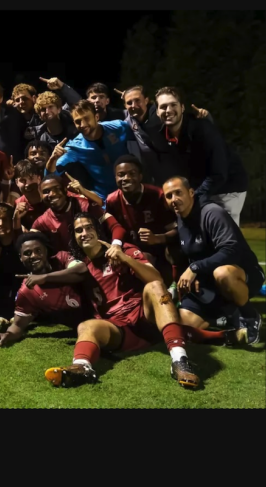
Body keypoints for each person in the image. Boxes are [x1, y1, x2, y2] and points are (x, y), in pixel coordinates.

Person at [43, 212, 236, 389]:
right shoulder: (82, 269)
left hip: (145, 317)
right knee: (86, 326)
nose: (84, 233)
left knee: (154, 287)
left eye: (89, 228)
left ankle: (179, 361)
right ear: (74, 238)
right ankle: (81, 368)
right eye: (78, 230)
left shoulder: (123, 249)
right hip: (120, 329)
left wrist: (125, 258)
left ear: (98, 230)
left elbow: (156, 278)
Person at [163, 176, 264, 344]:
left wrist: (195, 268)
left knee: (223, 273)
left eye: (178, 193)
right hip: (209, 281)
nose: (174, 199)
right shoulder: (181, 218)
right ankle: (225, 316)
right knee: (182, 323)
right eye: (169, 196)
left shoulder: (211, 212)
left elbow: (231, 251)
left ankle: (250, 316)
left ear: (191, 193)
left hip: (243, 274)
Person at [148, 87, 249, 225]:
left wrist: (192, 197)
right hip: (200, 187)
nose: (168, 110)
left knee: (225, 237)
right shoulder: (160, 134)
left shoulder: (204, 130)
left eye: (173, 105)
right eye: (163, 107)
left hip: (227, 188)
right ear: (157, 112)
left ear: (182, 107)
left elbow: (218, 174)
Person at [0, 232, 91, 347]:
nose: (33, 255)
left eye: (38, 251)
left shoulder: (62, 258)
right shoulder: (27, 291)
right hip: (83, 328)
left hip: (101, 314)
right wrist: (7, 334)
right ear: (21, 258)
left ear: (46, 251)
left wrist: (45, 278)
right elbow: (18, 325)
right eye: (27, 253)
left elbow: (82, 270)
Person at [105, 155, 178, 284]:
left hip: (162, 248)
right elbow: (115, 229)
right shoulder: (112, 200)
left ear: (140, 176)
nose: (126, 178)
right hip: (133, 252)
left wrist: (157, 238)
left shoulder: (157, 195)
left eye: (132, 174)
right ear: (115, 178)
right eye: (121, 174)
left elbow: (177, 231)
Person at [45, 99, 133, 199]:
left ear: (96, 117)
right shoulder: (75, 147)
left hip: (133, 187)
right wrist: (53, 159)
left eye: (86, 119)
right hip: (104, 198)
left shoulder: (118, 127)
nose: (82, 125)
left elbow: (141, 138)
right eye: (78, 121)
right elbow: (50, 175)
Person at [32, 175, 126, 254]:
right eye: (46, 192)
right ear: (40, 195)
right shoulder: (42, 221)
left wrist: (115, 245)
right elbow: (28, 243)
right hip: (73, 265)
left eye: (57, 188)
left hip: (101, 255)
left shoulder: (85, 205)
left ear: (65, 189)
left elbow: (116, 227)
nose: (52, 194)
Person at [40, 78, 126, 122]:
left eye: (101, 97)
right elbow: (76, 101)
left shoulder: (119, 116)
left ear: (107, 101)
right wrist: (62, 86)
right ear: (87, 100)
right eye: (93, 97)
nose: (97, 100)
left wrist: (130, 97)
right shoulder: (81, 114)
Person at [13, 160, 46, 230]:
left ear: (39, 178)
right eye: (22, 180)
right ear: (16, 182)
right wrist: (16, 219)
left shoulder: (49, 198)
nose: (27, 184)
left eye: (31, 178)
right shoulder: (16, 205)